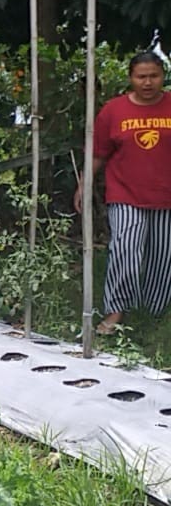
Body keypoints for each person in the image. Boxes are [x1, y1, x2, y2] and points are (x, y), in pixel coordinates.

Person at [75, 51, 171, 334]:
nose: (147, 82)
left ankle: (153, 312)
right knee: (125, 250)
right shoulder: (113, 110)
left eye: (154, 76)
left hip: (166, 195)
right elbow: (98, 153)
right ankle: (115, 310)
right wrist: (84, 184)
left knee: (162, 256)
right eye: (141, 77)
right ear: (131, 78)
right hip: (125, 193)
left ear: (163, 76)